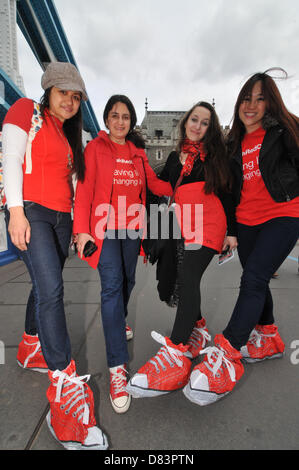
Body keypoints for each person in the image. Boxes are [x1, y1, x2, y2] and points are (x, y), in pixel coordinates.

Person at [2, 62, 108, 450]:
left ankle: (31, 344)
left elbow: (78, 188)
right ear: (49, 90)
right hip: (32, 211)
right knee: (52, 291)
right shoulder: (25, 111)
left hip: (63, 221)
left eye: (77, 96)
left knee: (45, 286)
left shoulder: (69, 138)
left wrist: (81, 230)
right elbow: (11, 159)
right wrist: (15, 211)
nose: (71, 100)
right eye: (65, 92)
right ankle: (63, 384)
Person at [183, 68, 299, 406]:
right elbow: (229, 190)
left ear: (270, 103)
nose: (251, 105)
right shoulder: (233, 142)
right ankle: (270, 338)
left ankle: (229, 351)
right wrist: (231, 230)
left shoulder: (285, 131)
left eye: (260, 99)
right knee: (256, 281)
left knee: (253, 278)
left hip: (283, 214)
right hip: (247, 221)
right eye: (247, 98)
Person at [126, 101, 237, 398]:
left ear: (210, 128)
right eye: (194, 120)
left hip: (209, 223)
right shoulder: (175, 156)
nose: (197, 126)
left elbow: (229, 194)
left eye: (204, 122)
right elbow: (159, 187)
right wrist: (134, 160)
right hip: (181, 224)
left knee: (189, 278)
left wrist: (233, 233)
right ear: (185, 122)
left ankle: (176, 352)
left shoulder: (217, 156)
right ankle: (198, 328)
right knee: (179, 278)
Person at [73, 95, 173, 414]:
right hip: (103, 230)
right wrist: (81, 230)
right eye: (115, 116)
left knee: (129, 281)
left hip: (131, 229)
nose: (120, 121)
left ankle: (120, 321)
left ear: (130, 123)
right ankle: (118, 368)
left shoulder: (137, 153)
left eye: (126, 117)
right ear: (106, 119)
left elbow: (154, 183)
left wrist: (180, 181)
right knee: (113, 286)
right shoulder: (95, 149)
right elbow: (85, 191)